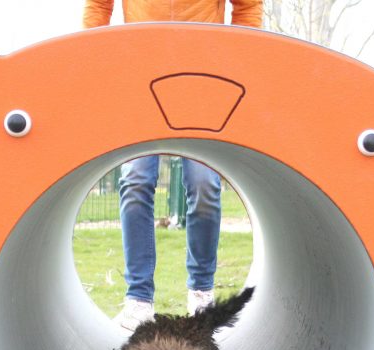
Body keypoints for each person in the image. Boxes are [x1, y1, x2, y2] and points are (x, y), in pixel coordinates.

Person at [82, 0, 263, 331]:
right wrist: (96, 59)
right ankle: (138, 300)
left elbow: (248, 7)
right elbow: (98, 5)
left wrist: (238, 59)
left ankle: (201, 295)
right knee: (135, 179)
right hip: (140, 74)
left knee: (204, 183)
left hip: (203, 78)